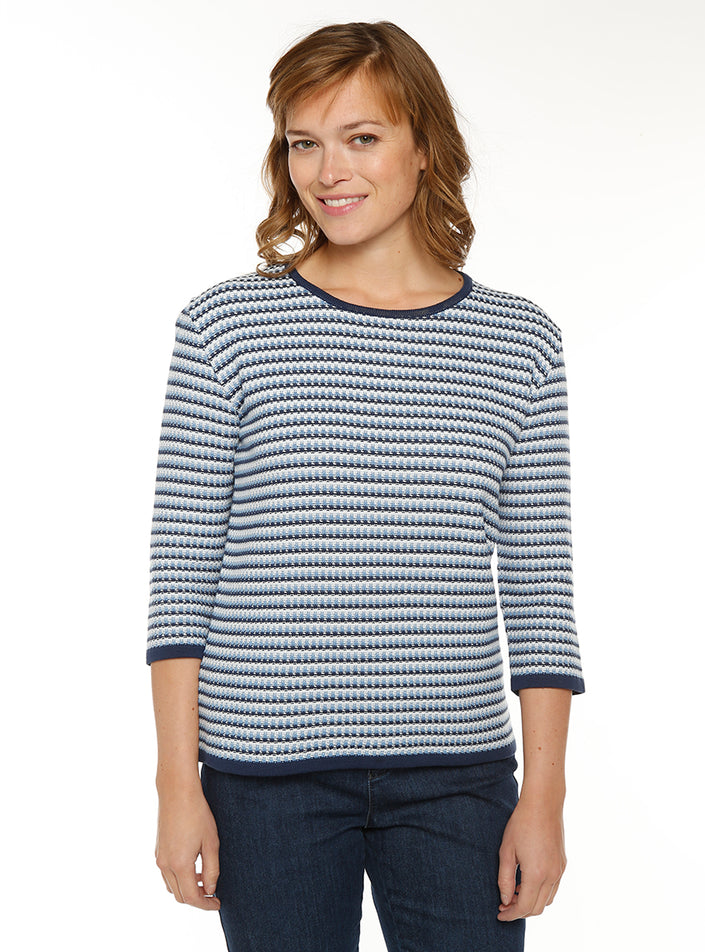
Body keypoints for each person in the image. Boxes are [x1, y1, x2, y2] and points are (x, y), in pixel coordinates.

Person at [147, 20, 585, 952]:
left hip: (457, 776)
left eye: (361, 137)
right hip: (265, 777)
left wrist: (543, 798)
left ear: (424, 146)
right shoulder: (225, 326)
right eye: (303, 142)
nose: (328, 170)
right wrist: (175, 786)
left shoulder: (519, 342)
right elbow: (180, 572)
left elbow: (540, 584)